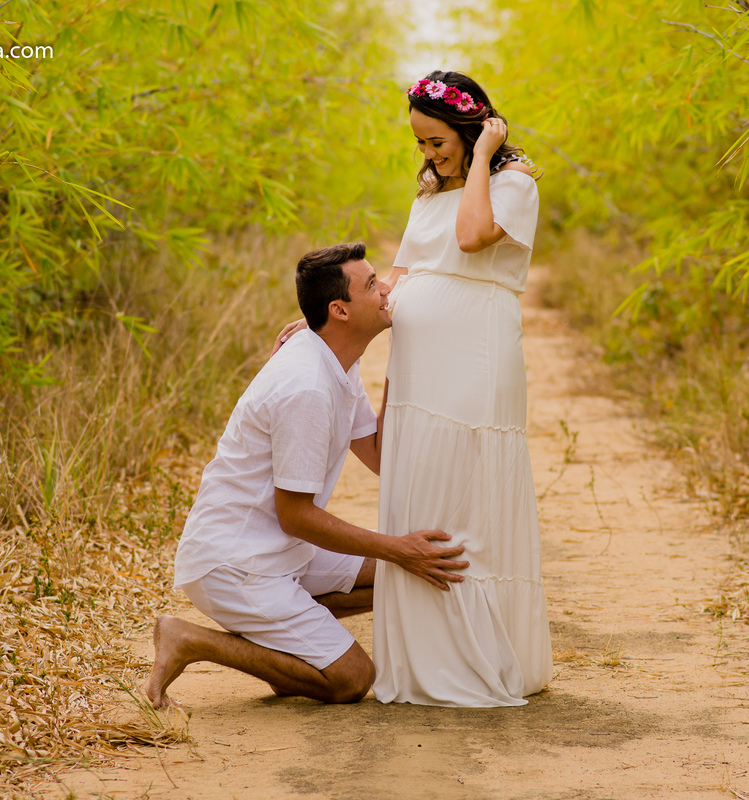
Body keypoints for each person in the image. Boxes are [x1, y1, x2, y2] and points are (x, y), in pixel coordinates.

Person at [275, 72, 552, 707]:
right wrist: (323, 321)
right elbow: (394, 280)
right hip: (420, 365)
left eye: (437, 141)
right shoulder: (427, 195)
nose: (428, 154)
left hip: (477, 358)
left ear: (470, 127)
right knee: (419, 486)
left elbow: (473, 237)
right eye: (420, 143)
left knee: (468, 495)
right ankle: (429, 659)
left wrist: (483, 157)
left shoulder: (513, 184)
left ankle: (487, 654)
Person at [146, 242, 468, 709]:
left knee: (400, 576)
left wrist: (401, 369)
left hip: (278, 553)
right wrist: (398, 548)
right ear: (339, 310)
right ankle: (190, 640)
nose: (386, 290)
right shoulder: (307, 387)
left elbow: (379, 455)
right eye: (373, 285)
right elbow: (296, 516)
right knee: (351, 679)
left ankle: (289, 645)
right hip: (236, 563)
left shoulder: (335, 358)